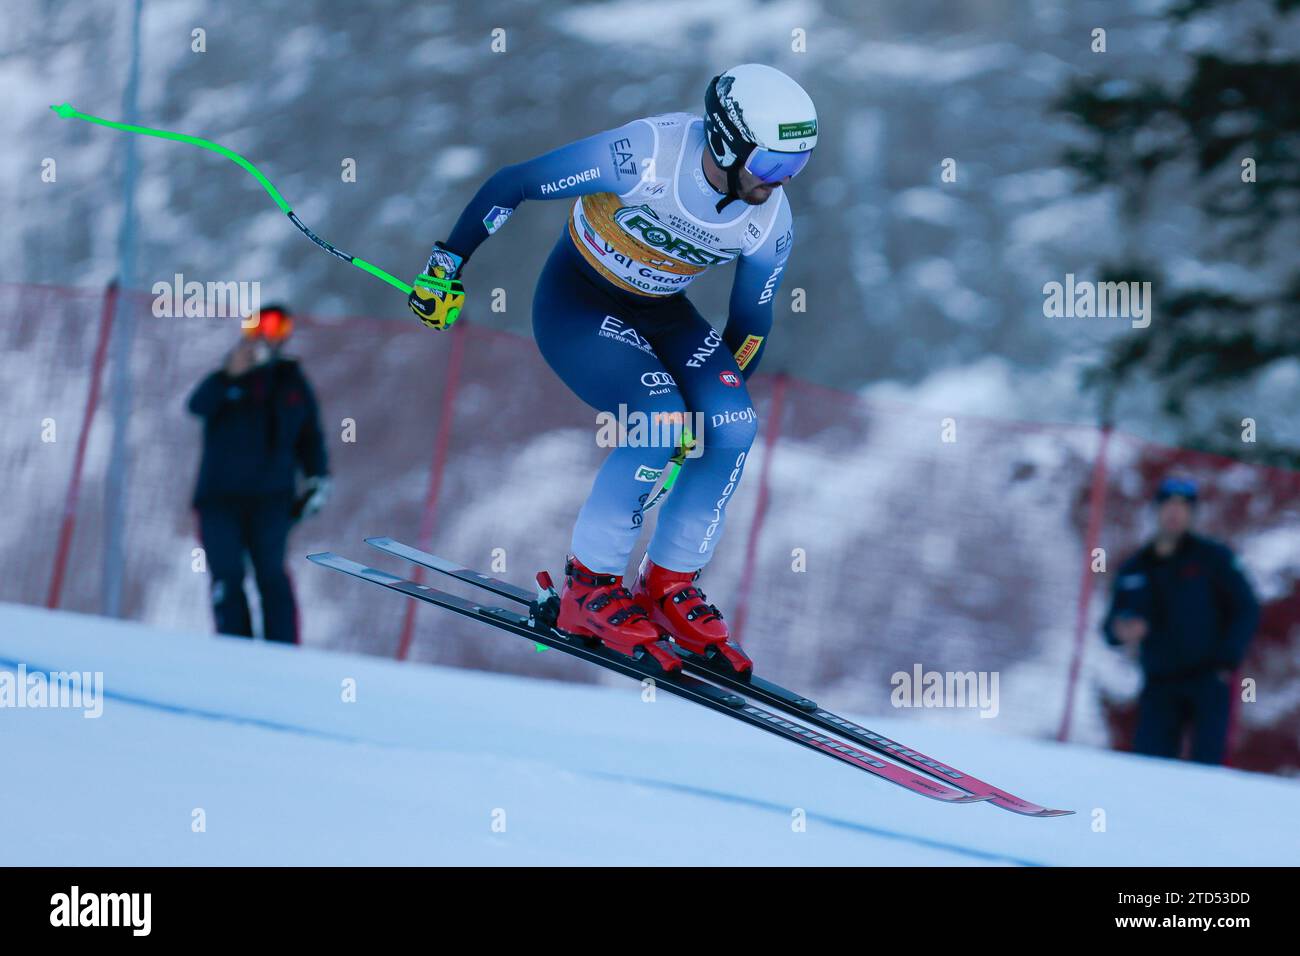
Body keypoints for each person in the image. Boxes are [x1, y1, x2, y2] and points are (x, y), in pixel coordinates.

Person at [408, 64, 816, 673]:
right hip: (578, 303)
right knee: (659, 422)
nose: (780, 183)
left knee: (731, 424)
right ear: (729, 142)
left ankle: (668, 583)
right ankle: (588, 586)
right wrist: (445, 267)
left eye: (794, 169)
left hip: (661, 312)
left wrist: (713, 408)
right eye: (773, 166)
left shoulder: (768, 218)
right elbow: (513, 184)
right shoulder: (644, 156)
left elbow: (751, 325)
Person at [187, 304, 331, 643]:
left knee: (271, 575)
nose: (266, 336)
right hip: (218, 500)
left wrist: (317, 479)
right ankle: (234, 648)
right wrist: (228, 376)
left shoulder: (292, 383)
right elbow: (197, 406)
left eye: (277, 329)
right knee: (227, 576)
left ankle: (281, 652)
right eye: (259, 327)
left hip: (272, 500)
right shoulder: (226, 378)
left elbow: (310, 437)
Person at [1102, 476, 1259, 764]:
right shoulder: (1134, 567)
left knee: (1205, 770)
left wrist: (1228, 659)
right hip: (1158, 682)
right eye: (1168, 505)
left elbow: (1247, 608)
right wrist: (1122, 630)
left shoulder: (1214, 559)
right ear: (1157, 510)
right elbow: (1110, 626)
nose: (1175, 513)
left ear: (1192, 514)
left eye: (1183, 507)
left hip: (1209, 681)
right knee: (1150, 766)